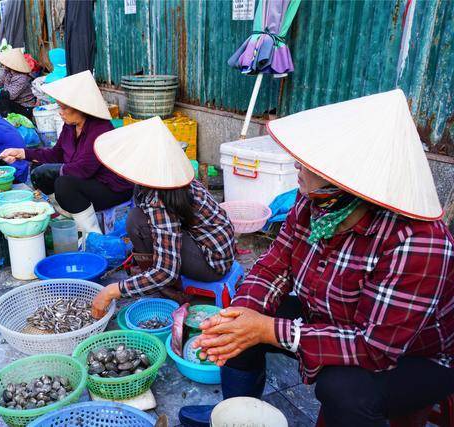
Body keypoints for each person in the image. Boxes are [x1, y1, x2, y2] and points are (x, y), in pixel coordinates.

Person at [175, 90, 454, 427]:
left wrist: (267, 330)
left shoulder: (419, 242)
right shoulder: (314, 203)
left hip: (411, 355)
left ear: (347, 184)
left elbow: (374, 348)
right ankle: (236, 417)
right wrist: (245, 315)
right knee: (238, 327)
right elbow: (274, 264)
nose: (298, 167)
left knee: (342, 389)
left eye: (309, 164)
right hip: (330, 317)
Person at [90, 116, 236, 313]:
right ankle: (153, 279)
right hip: (211, 245)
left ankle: (163, 287)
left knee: (137, 221)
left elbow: (166, 271)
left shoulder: (160, 198)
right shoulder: (161, 179)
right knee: (137, 218)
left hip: (212, 263)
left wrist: (112, 290)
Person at [0, 70, 133, 236]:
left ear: (81, 108)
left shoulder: (100, 130)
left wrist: (54, 171)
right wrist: (23, 153)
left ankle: (92, 235)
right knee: (39, 172)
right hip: (85, 181)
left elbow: (84, 169)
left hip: (111, 188)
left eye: (63, 108)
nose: (60, 112)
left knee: (64, 184)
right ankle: (69, 216)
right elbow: (56, 153)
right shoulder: (70, 126)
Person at [0, 47, 37, 119]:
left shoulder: (22, 77)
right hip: (13, 103)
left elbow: (10, 95)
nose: (3, 65)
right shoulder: (8, 71)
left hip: (24, 108)